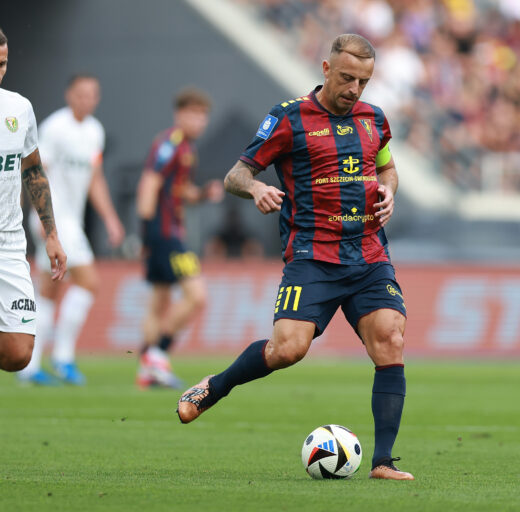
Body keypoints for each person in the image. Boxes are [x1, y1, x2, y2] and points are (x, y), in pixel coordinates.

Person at [176, 34, 413, 481]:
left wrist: (389, 191)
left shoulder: (374, 120)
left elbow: (388, 167)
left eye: (363, 81)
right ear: (325, 69)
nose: (354, 90)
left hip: (367, 252)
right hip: (313, 254)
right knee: (288, 349)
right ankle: (215, 387)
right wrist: (258, 188)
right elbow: (236, 174)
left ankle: (382, 461)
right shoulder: (288, 118)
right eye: (346, 78)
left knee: (391, 338)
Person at [17, 74, 124, 386]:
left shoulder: (94, 131)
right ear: (69, 95)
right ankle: (63, 358)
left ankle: (30, 367)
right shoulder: (54, 128)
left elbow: (95, 179)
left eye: (92, 95)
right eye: (81, 94)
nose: (86, 100)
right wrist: (34, 218)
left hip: (71, 222)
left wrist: (111, 219)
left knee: (49, 291)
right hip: (53, 220)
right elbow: (35, 173)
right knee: (89, 282)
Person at [135, 87, 223, 389]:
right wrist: (145, 235)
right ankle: (156, 354)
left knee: (158, 303)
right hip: (165, 233)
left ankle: (148, 371)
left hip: (167, 231)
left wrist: (200, 193)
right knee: (197, 296)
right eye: (195, 114)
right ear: (180, 114)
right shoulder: (170, 144)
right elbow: (148, 185)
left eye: (203, 116)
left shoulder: (187, 148)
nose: (200, 121)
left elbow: (180, 189)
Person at [0, 28, 67, 373]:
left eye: (3, 63)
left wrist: (51, 234)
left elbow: (34, 170)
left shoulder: (19, 108)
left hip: (9, 243)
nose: (0, 70)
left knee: (18, 353)